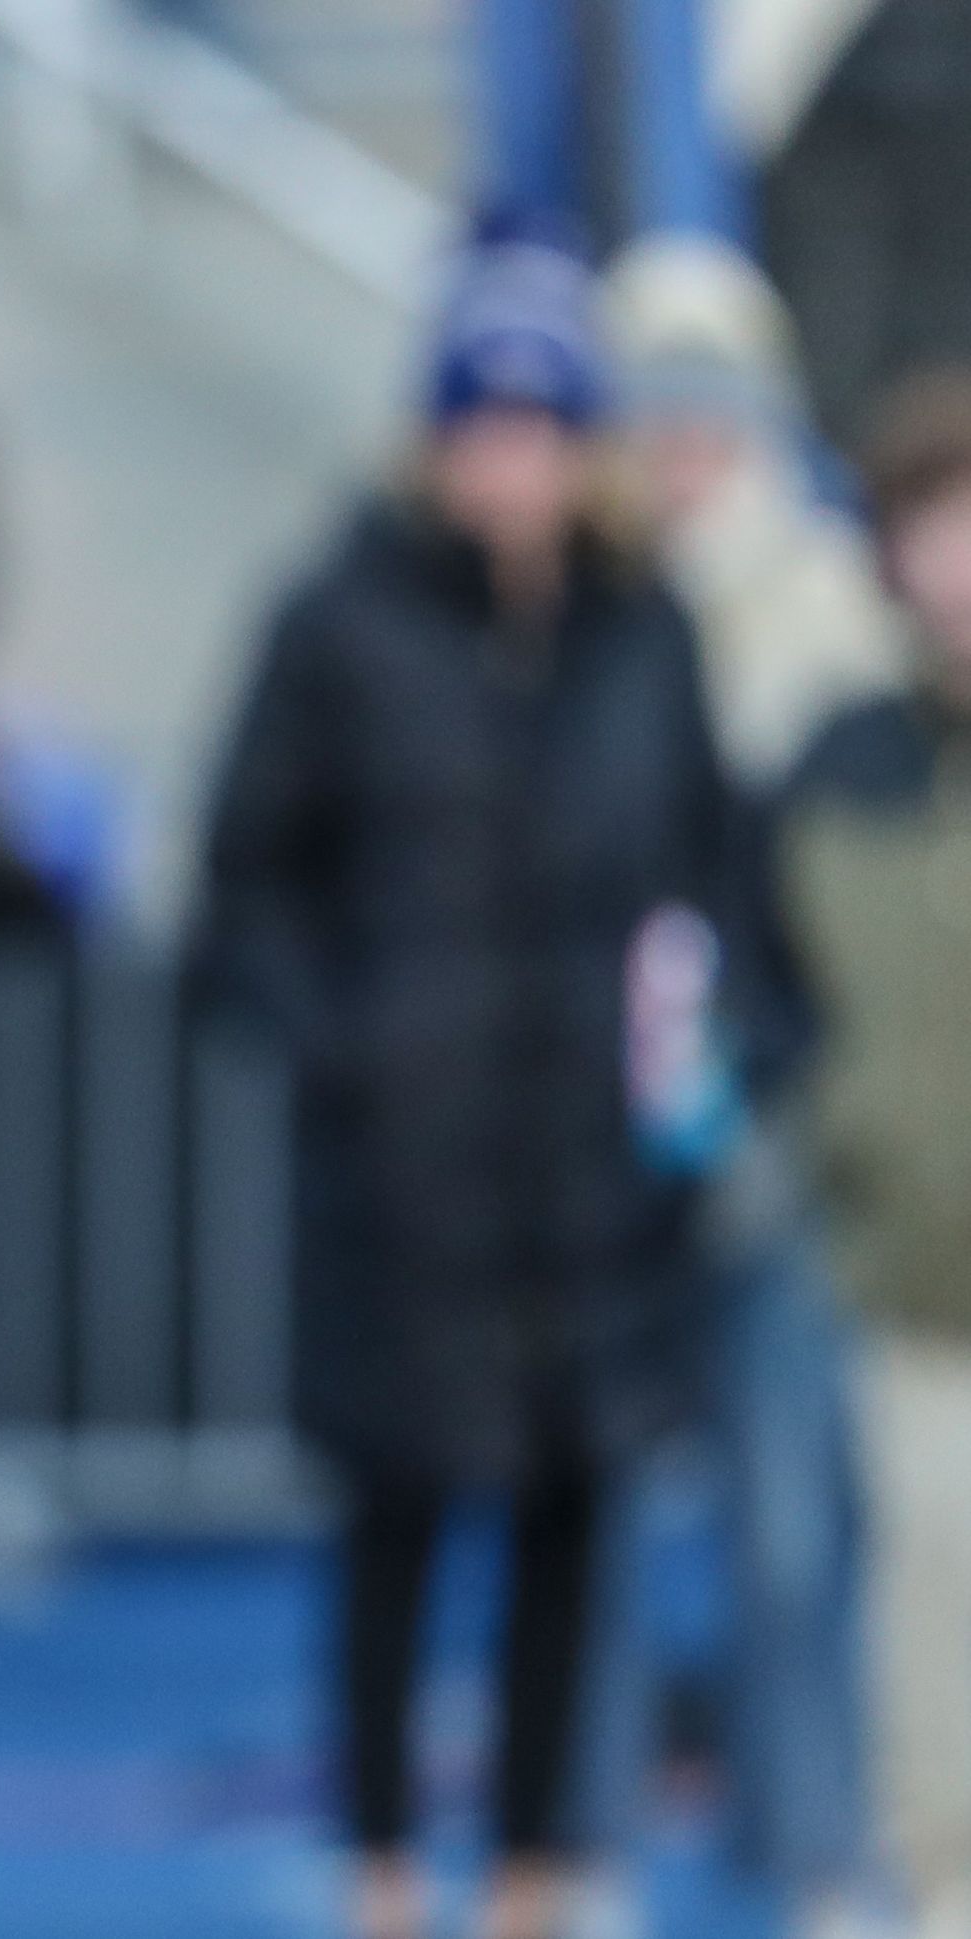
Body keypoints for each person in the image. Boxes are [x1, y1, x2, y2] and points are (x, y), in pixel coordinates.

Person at [197, 216, 730, 1939]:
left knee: (576, 1528)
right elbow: (240, 887)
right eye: (483, 425)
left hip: (593, 1173)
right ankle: (378, 1865)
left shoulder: (651, 635)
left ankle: (527, 1869)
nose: (513, 464)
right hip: (406, 1177)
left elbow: (716, 879)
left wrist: (715, 1064)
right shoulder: (339, 621)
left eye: (545, 428)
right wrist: (346, 1047)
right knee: (395, 1529)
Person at [600, 230, 895, 1930]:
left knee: (795, 1525)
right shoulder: (585, 607)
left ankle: (811, 1848)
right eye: (656, 405)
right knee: (605, 1519)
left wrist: (791, 1095)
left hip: (780, 1137)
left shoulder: (839, 612)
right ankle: (592, 1855)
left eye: (713, 404)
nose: (685, 436)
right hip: (597, 1143)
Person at [777, 370, 971, 1939]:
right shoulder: (838, 764)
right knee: (923, 1667)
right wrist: (810, 1132)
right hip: (912, 1300)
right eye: (939, 522)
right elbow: (745, 989)